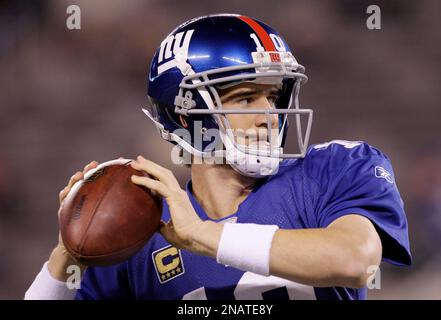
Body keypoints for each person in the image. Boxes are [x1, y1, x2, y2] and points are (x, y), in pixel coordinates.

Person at [25, 14, 411, 300]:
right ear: (186, 115)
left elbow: (355, 260)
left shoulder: (333, 169)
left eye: (273, 96)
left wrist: (205, 236)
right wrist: (68, 253)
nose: (268, 116)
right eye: (245, 98)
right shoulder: (139, 224)